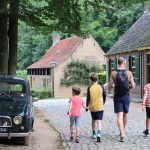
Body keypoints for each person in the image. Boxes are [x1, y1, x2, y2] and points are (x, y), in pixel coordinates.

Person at [108, 57, 135, 142]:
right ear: (124, 63)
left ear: (118, 63)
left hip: (117, 96)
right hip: (126, 96)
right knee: (125, 115)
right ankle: (122, 131)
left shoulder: (114, 73)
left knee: (119, 116)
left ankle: (122, 134)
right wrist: (128, 86)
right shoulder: (129, 73)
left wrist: (113, 86)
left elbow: (110, 86)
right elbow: (133, 85)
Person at [86, 74, 104, 142]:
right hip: (100, 106)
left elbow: (88, 98)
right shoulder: (101, 87)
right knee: (99, 120)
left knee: (93, 120)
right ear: (97, 79)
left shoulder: (90, 87)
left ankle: (94, 133)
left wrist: (87, 106)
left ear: (91, 80)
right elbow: (104, 95)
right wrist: (103, 102)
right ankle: (99, 133)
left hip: (92, 107)